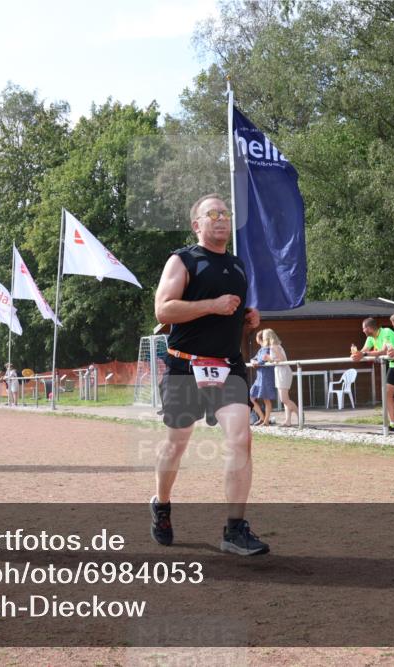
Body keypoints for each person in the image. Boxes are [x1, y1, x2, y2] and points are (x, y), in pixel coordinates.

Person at [150, 193, 268, 556]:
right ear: (196, 225)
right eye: (211, 213)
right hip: (185, 365)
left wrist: (248, 318)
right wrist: (213, 306)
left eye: (225, 213)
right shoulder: (182, 260)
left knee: (240, 438)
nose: (220, 218)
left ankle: (234, 529)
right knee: (177, 443)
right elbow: (163, 310)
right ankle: (162, 504)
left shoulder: (238, 266)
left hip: (228, 366)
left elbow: (229, 312)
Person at [352, 317, 394, 434]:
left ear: (369, 328)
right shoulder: (371, 337)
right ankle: (393, 424)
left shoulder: (386, 332)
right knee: (387, 393)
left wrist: (363, 353)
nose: (362, 331)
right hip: (393, 363)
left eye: (363, 328)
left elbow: (382, 351)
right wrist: (357, 354)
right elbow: (364, 350)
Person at [263, 329, 298, 427]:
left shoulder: (274, 346)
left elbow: (282, 359)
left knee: (284, 399)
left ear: (268, 337)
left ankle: (299, 414)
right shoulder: (275, 346)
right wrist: (270, 359)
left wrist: (269, 359)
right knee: (285, 399)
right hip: (280, 372)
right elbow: (277, 360)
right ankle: (288, 421)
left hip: (283, 372)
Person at [248, 330, 275, 426]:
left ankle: (266, 421)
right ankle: (262, 418)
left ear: (259, 339)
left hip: (266, 377)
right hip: (259, 377)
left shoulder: (268, 349)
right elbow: (255, 359)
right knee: (251, 397)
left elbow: (263, 360)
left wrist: (256, 363)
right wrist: (253, 361)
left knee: (266, 399)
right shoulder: (260, 350)